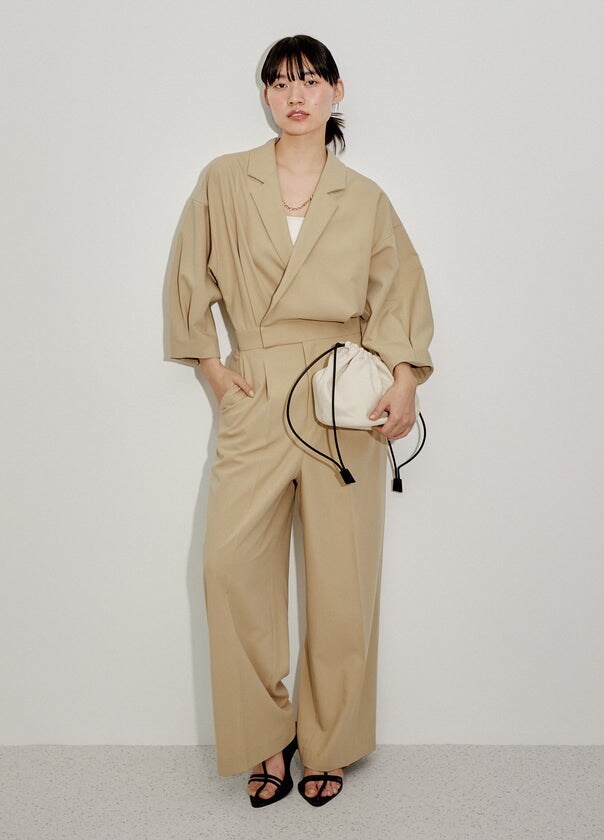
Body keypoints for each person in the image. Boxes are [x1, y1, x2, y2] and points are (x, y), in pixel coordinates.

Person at [167, 34, 434, 807]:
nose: (295, 95)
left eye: (310, 81)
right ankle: (263, 735)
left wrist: (405, 379)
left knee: (343, 581)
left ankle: (330, 743)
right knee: (228, 566)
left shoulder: (365, 197)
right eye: (280, 82)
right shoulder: (225, 180)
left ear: (335, 91)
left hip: (343, 397)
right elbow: (189, 276)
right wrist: (213, 369)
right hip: (255, 388)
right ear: (265, 95)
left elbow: (399, 293)